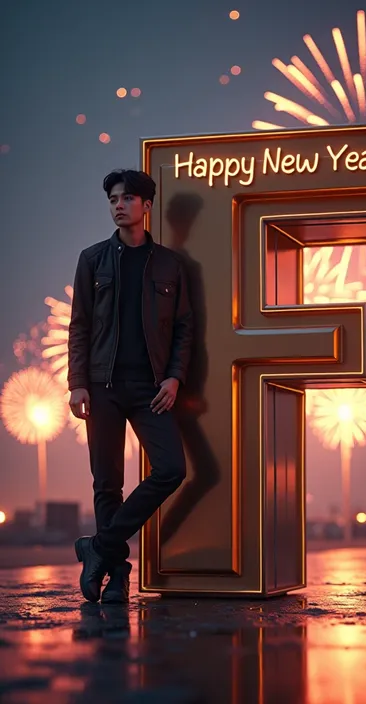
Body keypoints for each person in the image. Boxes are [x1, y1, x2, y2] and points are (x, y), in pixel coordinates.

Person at [68, 169, 193, 604]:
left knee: (171, 469)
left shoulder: (169, 265)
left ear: (146, 206)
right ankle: (117, 576)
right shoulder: (93, 259)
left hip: (150, 388)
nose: (118, 205)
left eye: (126, 198)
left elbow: (183, 328)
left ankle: (98, 548)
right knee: (107, 484)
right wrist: (77, 384)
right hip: (101, 387)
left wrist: (175, 377)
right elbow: (79, 326)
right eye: (112, 199)